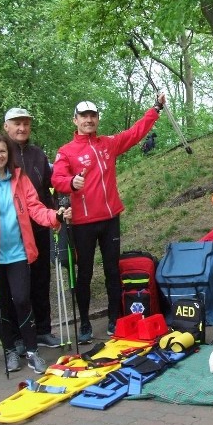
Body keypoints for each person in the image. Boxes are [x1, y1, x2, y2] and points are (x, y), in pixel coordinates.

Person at [52, 94, 165, 342]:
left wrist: (155, 109)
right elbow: (56, 179)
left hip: (110, 218)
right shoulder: (66, 151)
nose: (89, 120)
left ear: (97, 119)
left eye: (93, 116)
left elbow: (135, 134)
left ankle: (114, 319)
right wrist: (71, 182)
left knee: (113, 270)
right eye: (84, 116)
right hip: (82, 223)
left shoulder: (108, 143)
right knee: (85, 273)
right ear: (75, 120)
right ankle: (83, 323)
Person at [0, 132, 71, 374]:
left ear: (8, 155)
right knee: (0, 303)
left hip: (18, 252)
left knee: (22, 299)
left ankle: (32, 350)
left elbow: (35, 208)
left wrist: (55, 216)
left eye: (2, 151)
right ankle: (9, 349)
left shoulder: (19, 179)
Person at [3, 107, 62, 350]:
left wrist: (56, 210)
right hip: (12, 230)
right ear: (6, 125)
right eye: (16, 123)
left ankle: (43, 330)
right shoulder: (0, 153)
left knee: (40, 279)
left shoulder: (38, 154)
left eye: (25, 123)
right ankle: (18, 335)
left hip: (39, 225)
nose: (21, 128)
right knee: (16, 287)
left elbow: (51, 184)